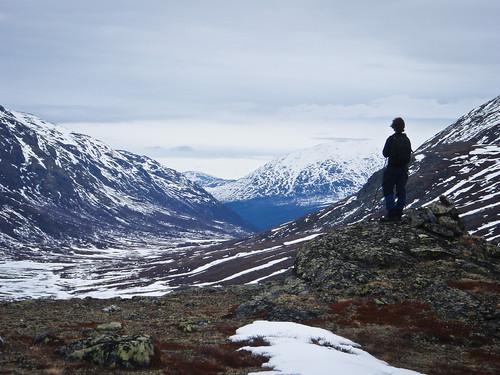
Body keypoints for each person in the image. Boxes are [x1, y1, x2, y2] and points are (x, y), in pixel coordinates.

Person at [381, 117, 412, 221]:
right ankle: (399, 212)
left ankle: (391, 212)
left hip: (392, 168)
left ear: (393, 127)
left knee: (388, 189)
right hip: (403, 169)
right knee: (401, 190)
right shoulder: (406, 139)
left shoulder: (391, 139)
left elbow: (385, 153)